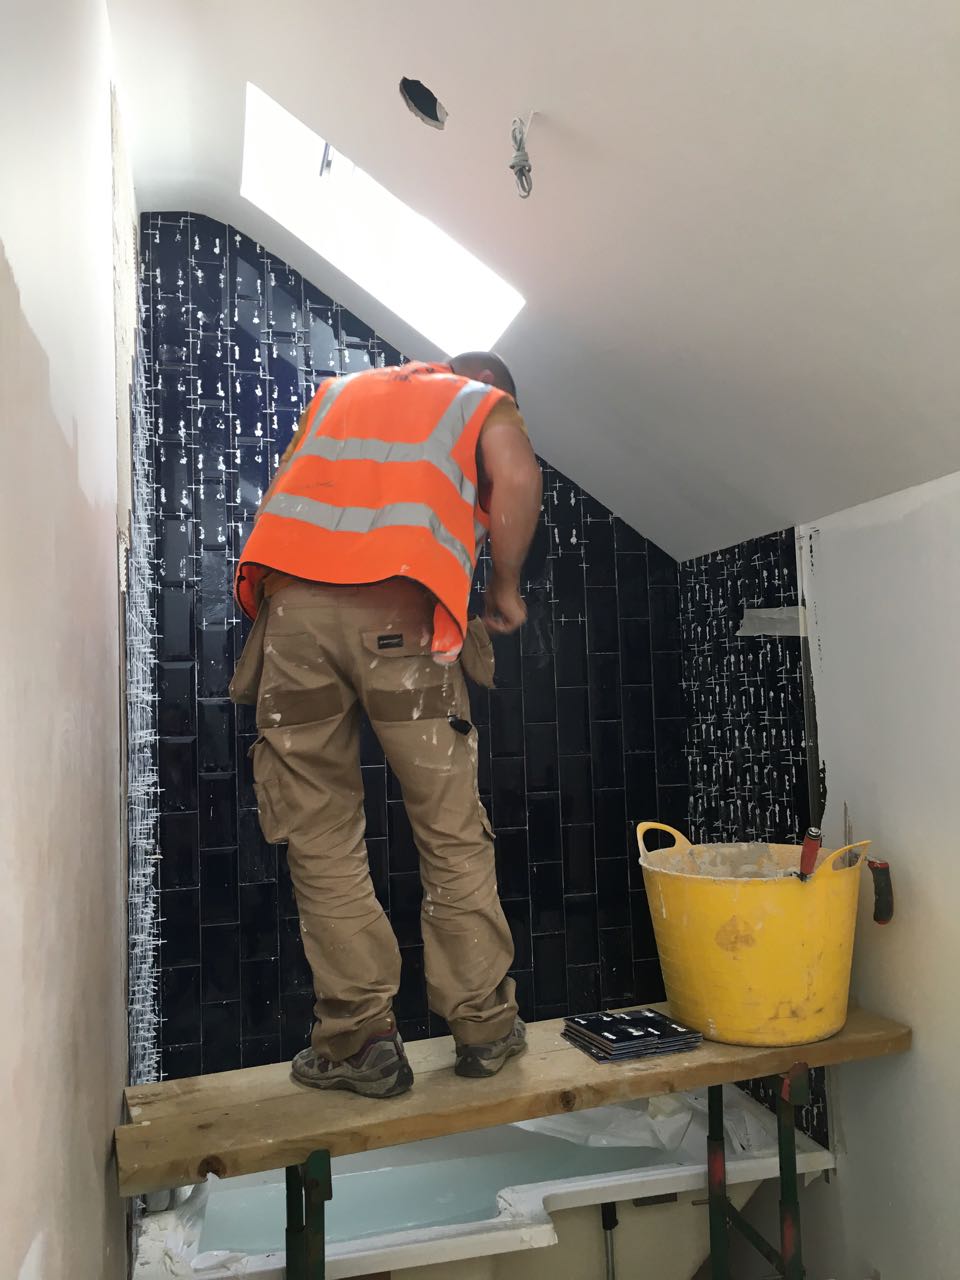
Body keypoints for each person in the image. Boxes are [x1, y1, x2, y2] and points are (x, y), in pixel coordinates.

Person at [233, 353, 543, 1098]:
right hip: (404, 613)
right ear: (493, 388)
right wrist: (503, 588)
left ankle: (358, 1040)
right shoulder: (476, 399)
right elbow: (517, 476)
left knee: (319, 833)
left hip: (294, 617)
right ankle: (484, 1027)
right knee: (448, 825)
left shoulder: (337, 394)